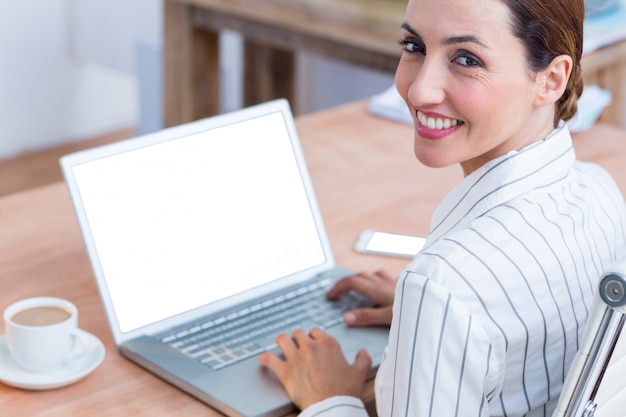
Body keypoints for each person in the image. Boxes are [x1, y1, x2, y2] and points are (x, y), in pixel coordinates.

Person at [259, 0, 626, 415]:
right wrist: (437, 325)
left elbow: (461, 287)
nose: (419, 91)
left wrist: (329, 398)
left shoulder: (445, 285)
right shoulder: (601, 192)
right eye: (414, 46)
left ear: (551, 80)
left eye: (466, 59)